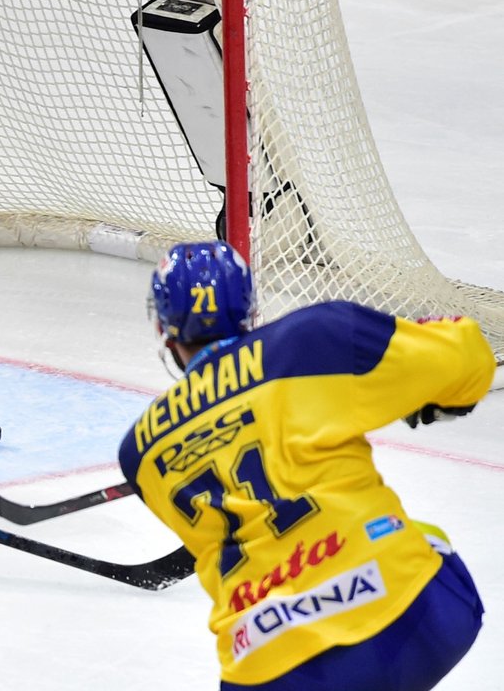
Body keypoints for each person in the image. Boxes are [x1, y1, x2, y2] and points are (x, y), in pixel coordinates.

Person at [118, 241, 493, 691]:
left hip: (268, 671)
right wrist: (436, 390)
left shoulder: (139, 453)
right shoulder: (316, 338)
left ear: (163, 326)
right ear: (248, 307)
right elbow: (470, 361)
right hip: (416, 621)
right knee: (426, 541)